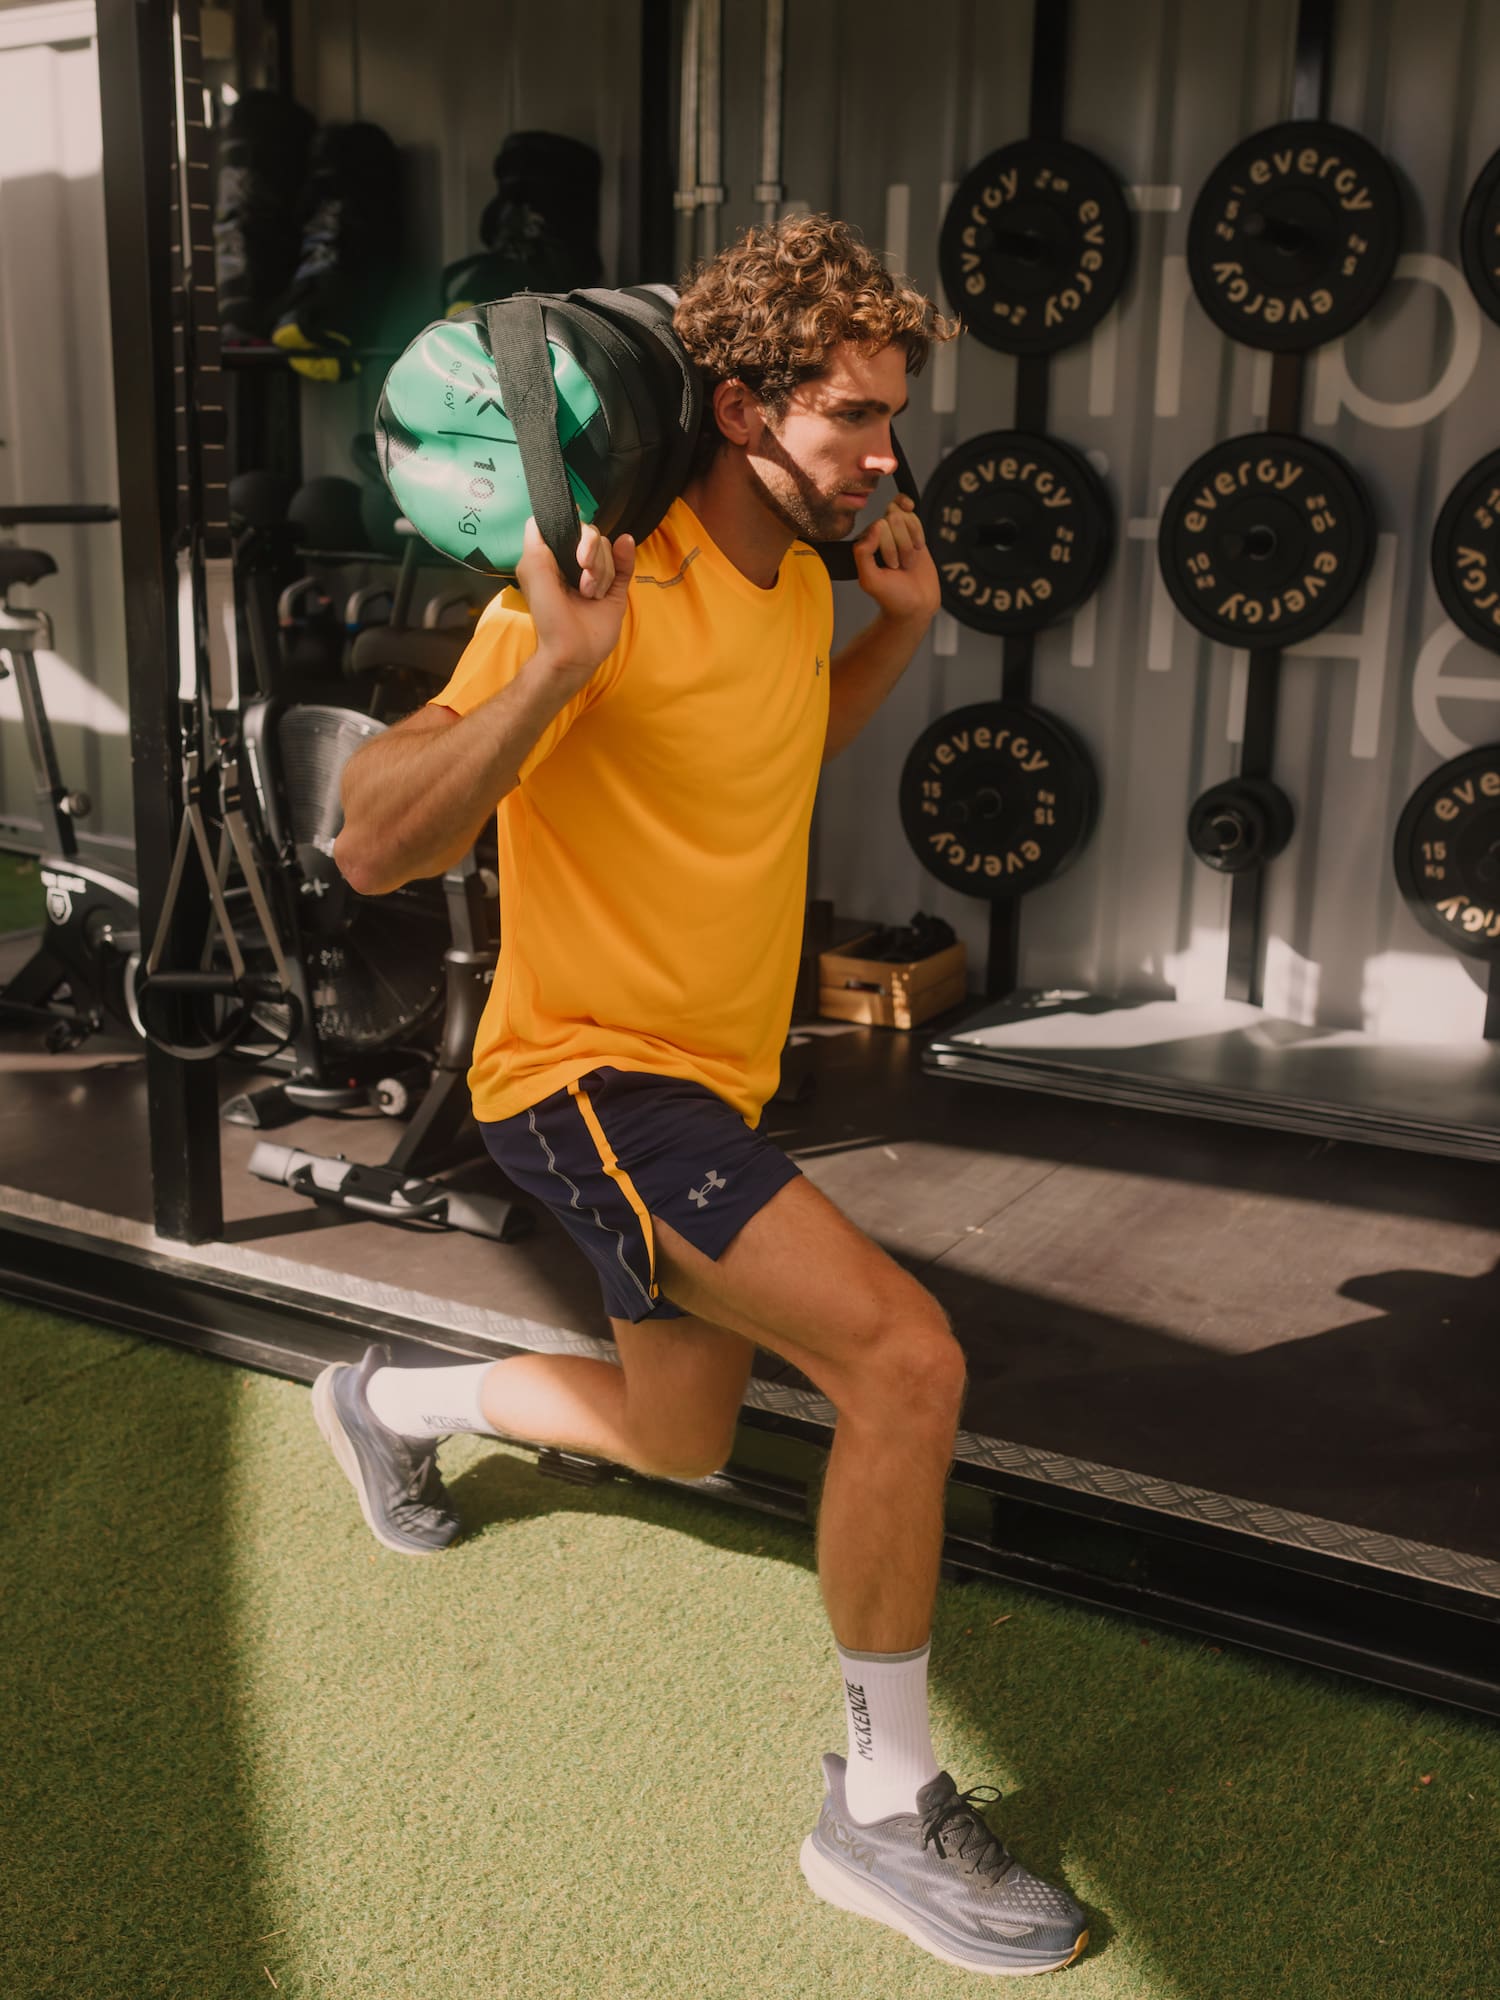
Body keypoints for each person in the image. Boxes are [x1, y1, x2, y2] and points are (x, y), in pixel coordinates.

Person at [317, 214, 1088, 1977]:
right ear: (741, 413)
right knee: (906, 1362)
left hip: (711, 1092)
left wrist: (895, 631)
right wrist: (562, 664)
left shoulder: (802, 582)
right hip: (587, 1075)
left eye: (892, 413)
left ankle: (386, 1396)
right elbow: (369, 841)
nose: (889, 453)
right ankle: (881, 1814)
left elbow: (762, 746)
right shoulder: (597, 587)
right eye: (852, 418)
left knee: (680, 1437)